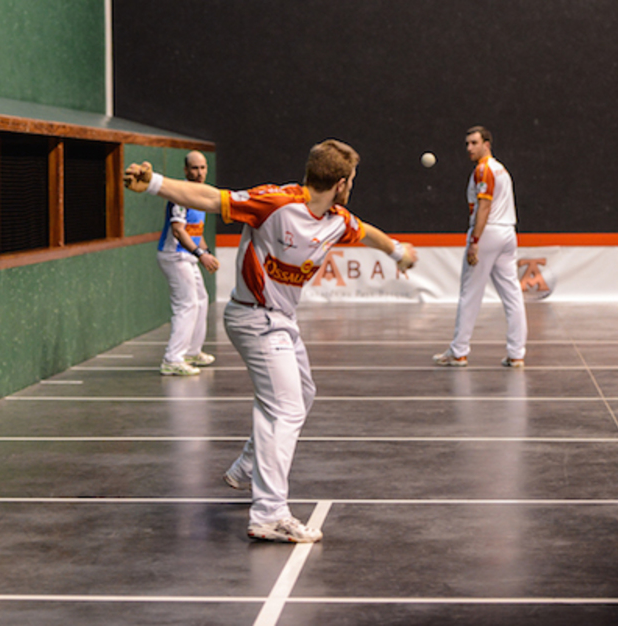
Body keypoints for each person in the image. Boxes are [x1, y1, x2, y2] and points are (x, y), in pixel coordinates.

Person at [125, 139, 416, 543]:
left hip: (281, 321)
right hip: (253, 318)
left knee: (304, 394)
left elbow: (367, 233)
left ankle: (248, 466)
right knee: (285, 408)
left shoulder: (336, 219)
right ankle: (269, 514)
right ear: (343, 182)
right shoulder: (274, 202)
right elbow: (210, 197)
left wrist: (398, 250)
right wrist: (156, 182)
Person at [433, 126, 528, 368]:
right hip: (508, 234)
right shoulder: (502, 170)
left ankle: (459, 351)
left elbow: (484, 208)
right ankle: (516, 353)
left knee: (470, 293)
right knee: (512, 294)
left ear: (487, 144)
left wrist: (475, 242)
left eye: (474, 143)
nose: (469, 148)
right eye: (467, 143)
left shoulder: (484, 170)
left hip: (488, 234)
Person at [157, 151, 220, 376]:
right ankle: (172, 359)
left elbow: (196, 232)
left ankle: (192, 351)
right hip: (174, 255)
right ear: (185, 170)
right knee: (187, 304)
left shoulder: (200, 194)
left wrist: (205, 253)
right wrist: (200, 254)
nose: (199, 172)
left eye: (202, 168)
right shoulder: (180, 195)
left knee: (201, 300)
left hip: (188, 256)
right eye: (194, 168)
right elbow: (178, 230)